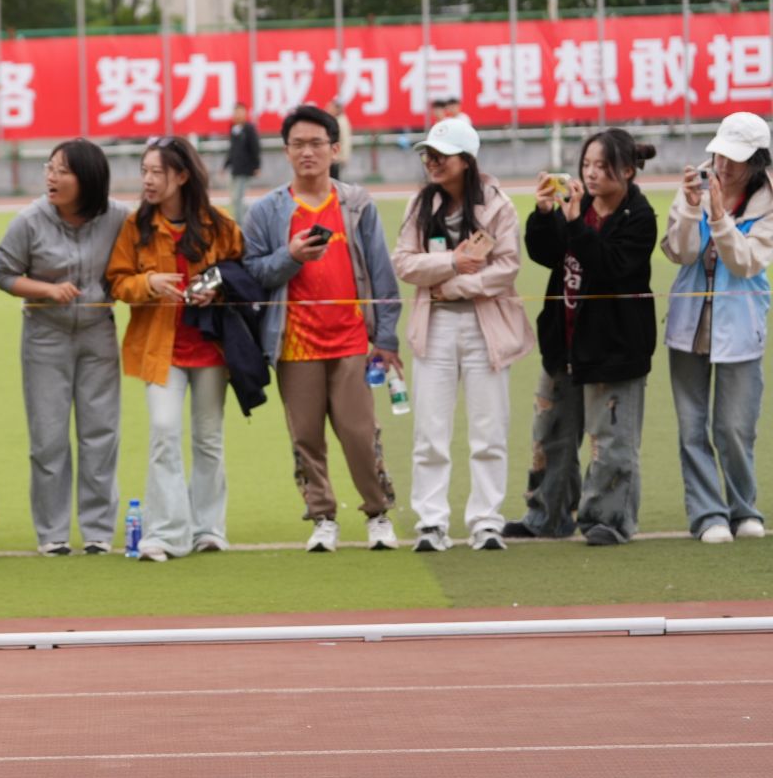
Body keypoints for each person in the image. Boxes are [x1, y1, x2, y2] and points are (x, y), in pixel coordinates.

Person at [241, 104, 402, 554]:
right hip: (294, 345)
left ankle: (378, 513)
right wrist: (290, 257)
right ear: (286, 151)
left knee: (359, 433)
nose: (307, 152)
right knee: (306, 437)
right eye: (297, 144)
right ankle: (322, 517)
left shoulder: (356, 204)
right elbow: (252, 273)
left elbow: (382, 274)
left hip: (350, 341)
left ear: (334, 148)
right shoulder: (266, 211)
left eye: (316, 143)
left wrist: (386, 339)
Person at [390, 115, 531, 553]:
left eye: (442, 155)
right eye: (428, 155)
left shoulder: (497, 205)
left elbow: (507, 267)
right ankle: (431, 522)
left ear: (467, 160)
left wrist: (455, 285)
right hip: (434, 325)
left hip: (485, 325)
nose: (432, 162)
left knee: (489, 430)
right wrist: (451, 262)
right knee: (430, 432)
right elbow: (404, 262)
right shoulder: (420, 205)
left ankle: (486, 522)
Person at [516, 128, 659, 547]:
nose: (591, 174)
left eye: (602, 166)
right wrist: (545, 214)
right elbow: (545, 254)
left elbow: (609, 266)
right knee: (550, 432)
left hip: (614, 347)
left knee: (610, 439)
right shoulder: (578, 208)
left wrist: (576, 222)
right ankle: (547, 516)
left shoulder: (639, 217)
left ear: (628, 171)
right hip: (563, 340)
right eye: (586, 165)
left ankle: (609, 520)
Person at [105, 137, 243, 561]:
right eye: (144, 171)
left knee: (208, 439)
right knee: (164, 433)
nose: (147, 180)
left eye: (157, 172)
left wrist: (216, 288)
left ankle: (208, 528)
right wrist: (149, 283)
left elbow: (241, 269)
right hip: (159, 349)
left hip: (211, 349)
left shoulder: (219, 224)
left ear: (182, 176)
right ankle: (164, 533)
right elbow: (117, 282)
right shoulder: (136, 226)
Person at [0, 139, 126, 556]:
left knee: (100, 433)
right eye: (49, 168)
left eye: (62, 171)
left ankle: (98, 531)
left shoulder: (119, 217)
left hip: (99, 334)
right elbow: (3, 273)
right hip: (44, 336)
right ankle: (52, 533)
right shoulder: (29, 220)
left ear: (88, 179)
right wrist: (47, 290)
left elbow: (136, 263)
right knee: (48, 438)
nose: (51, 177)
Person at [663, 113, 773, 544]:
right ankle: (708, 515)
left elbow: (745, 262)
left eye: (735, 158)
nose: (723, 165)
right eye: (720, 154)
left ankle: (744, 509)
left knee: (734, 427)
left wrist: (720, 218)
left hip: (741, 327)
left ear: (758, 161)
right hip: (688, 325)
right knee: (692, 426)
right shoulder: (695, 185)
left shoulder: (767, 203)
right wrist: (693, 208)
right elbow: (682, 254)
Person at [224, 101, 262, 225]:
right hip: (235, 168)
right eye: (236, 112)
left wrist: (257, 166)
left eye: (240, 112)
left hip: (245, 168)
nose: (238, 115)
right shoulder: (233, 129)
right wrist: (226, 165)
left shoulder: (249, 129)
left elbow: (255, 148)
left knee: (238, 197)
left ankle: (240, 223)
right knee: (233, 198)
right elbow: (231, 150)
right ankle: (241, 219)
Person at [328, 98, 355, 181]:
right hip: (336, 156)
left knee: (334, 181)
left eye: (331, 107)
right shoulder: (338, 120)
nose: (329, 109)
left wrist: (343, 157)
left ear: (337, 108)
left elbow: (345, 141)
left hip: (337, 157)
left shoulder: (340, 122)